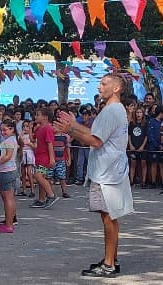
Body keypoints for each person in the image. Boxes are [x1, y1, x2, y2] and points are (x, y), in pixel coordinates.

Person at [54, 73, 134, 277]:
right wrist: (73, 126)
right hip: (109, 170)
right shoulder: (112, 110)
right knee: (109, 217)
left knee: (109, 218)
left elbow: (96, 141)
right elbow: (95, 134)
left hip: (108, 173)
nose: (99, 87)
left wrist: (70, 131)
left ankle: (108, 263)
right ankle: (111, 258)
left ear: (116, 88)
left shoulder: (112, 110)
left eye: (104, 83)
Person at [0, 120, 19, 233]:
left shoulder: (9, 141)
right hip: (10, 170)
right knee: (10, 198)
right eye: (1, 130)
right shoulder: (12, 140)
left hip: (5, 171)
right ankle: (10, 219)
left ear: (12, 129)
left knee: (7, 199)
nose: (2, 132)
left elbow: (8, 156)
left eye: (5, 130)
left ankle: (9, 224)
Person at [19, 120, 36, 197]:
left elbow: (34, 146)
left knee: (29, 172)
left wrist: (29, 144)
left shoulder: (31, 136)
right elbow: (19, 144)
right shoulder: (21, 136)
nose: (25, 128)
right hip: (23, 153)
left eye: (27, 126)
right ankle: (24, 190)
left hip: (29, 153)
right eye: (24, 126)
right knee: (23, 173)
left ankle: (32, 190)